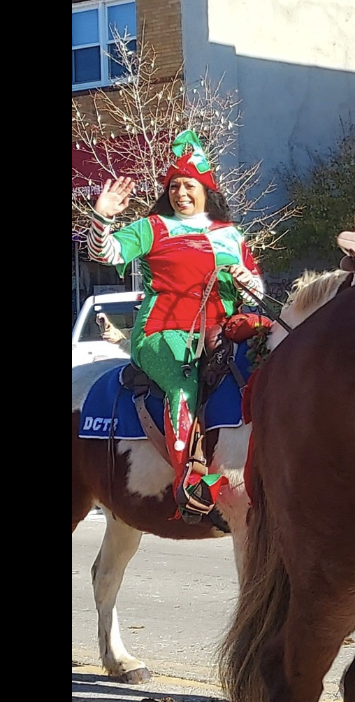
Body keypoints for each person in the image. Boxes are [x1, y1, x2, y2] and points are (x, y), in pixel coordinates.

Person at [87, 131, 263, 521]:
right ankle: (191, 480)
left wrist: (248, 282)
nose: (181, 193)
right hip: (162, 333)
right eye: (174, 186)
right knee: (184, 381)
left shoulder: (231, 235)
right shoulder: (153, 228)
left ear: (206, 189)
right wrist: (102, 216)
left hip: (225, 331)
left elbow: (255, 287)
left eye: (189, 185)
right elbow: (104, 252)